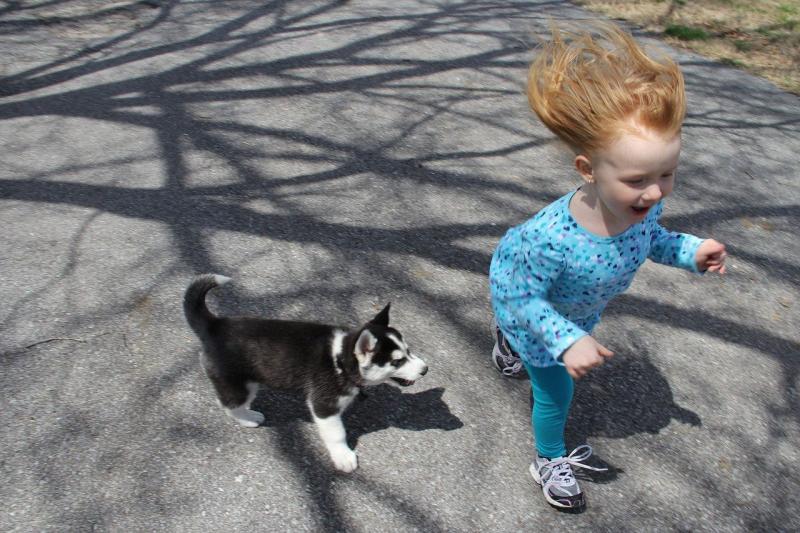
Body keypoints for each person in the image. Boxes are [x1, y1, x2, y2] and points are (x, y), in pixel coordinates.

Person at [489, 23, 727, 510]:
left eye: (667, 174)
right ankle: (548, 459)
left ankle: (506, 341)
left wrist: (691, 251)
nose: (656, 191)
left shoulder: (643, 207)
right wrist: (565, 339)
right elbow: (519, 296)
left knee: (538, 353)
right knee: (554, 394)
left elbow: (651, 239)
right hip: (535, 313)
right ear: (587, 170)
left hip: (575, 312)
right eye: (639, 179)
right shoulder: (549, 240)